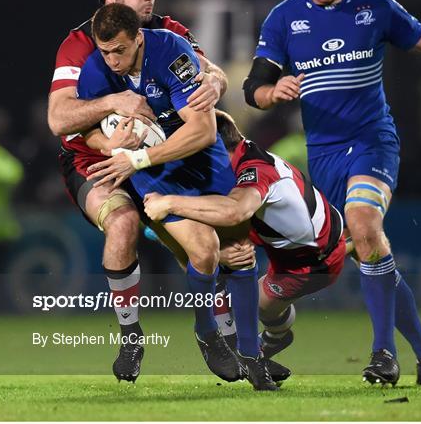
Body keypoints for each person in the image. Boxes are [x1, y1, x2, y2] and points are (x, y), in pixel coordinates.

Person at [242, 0, 421, 386]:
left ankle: (383, 355)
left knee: (363, 224)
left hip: (373, 141)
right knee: (369, 252)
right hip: (325, 157)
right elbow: (252, 86)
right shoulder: (284, 18)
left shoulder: (373, 7)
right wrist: (271, 91)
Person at [47, 0, 226, 382]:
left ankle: (229, 340)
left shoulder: (169, 33)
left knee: (214, 248)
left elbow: (209, 70)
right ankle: (130, 336)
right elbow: (58, 118)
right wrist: (113, 103)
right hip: (97, 165)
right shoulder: (80, 44)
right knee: (123, 226)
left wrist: (216, 82)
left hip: (160, 165)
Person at [79, 3, 278, 391]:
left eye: (119, 50)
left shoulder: (171, 52)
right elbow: (86, 131)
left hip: (204, 163)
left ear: (138, 37)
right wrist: (110, 144)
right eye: (105, 52)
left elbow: (203, 132)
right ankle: (207, 331)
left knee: (240, 254)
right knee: (204, 250)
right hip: (157, 178)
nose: (112, 60)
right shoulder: (95, 71)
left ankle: (251, 352)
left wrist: (138, 156)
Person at [143, 110, 346, 364]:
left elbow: (235, 211)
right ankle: (250, 346)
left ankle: (263, 343)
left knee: (251, 300)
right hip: (293, 239)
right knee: (214, 255)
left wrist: (170, 203)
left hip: (311, 261)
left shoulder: (254, 170)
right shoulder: (235, 162)